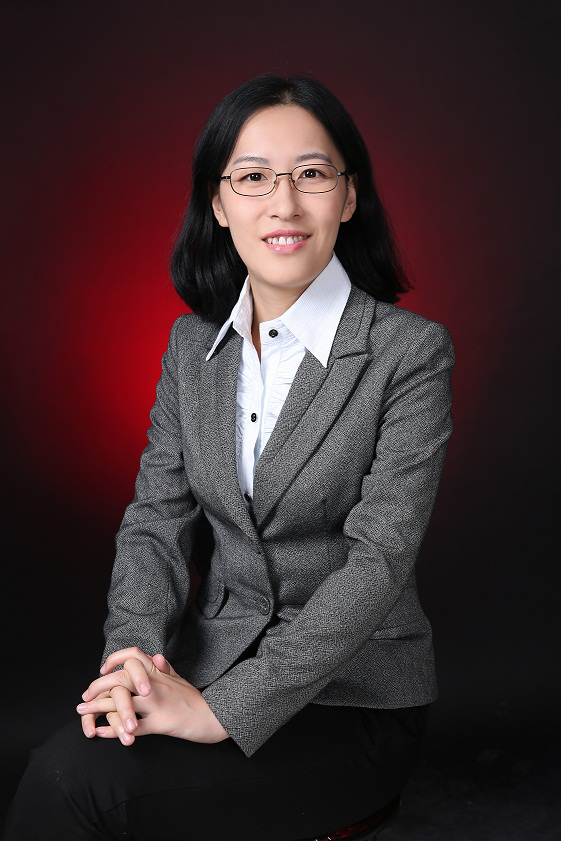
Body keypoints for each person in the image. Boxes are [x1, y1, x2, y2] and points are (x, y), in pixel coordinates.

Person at [4, 73, 455, 841]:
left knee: (76, 787)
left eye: (311, 174)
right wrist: (132, 658)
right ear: (217, 204)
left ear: (348, 196)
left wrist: (223, 711)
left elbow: (378, 561)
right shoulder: (192, 348)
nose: (283, 204)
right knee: (62, 767)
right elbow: (156, 523)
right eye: (252, 178)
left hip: (352, 700)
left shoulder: (408, 353)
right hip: (202, 667)